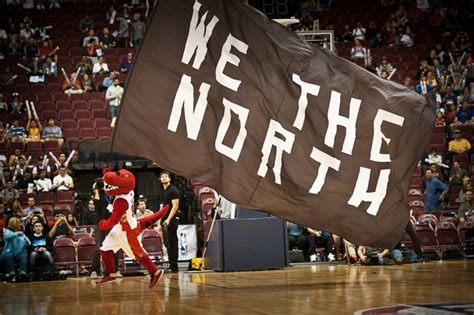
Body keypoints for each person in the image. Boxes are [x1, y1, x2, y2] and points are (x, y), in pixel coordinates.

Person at [96, 168, 168, 287]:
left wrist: (102, 224)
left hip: (128, 231)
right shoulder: (129, 190)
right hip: (121, 226)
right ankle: (111, 274)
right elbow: (115, 183)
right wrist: (106, 174)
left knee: (137, 254)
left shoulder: (121, 202)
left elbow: (111, 222)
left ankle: (155, 272)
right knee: (105, 248)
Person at [157, 170, 180, 273]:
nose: (164, 178)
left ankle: (174, 266)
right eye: (162, 177)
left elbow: (175, 206)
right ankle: (171, 264)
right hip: (165, 221)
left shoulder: (173, 190)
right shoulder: (162, 191)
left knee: (173, 242)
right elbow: (161, 208)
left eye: (166, 176)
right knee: (167, 243)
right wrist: (159, 222)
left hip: (172, 220)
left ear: (169, 179)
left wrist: (169, 219)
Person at [2, 217, 30, 281]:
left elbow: (29, 243)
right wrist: (16, 233)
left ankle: (23, 274)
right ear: (14, 224)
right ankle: (12, 273)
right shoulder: (6, 231)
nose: (20, 224)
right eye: (19, 223)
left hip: (20, 251)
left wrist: (26, 240)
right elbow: (7, 237)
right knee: (8, 256)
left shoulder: (21, 233)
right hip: (9, 251)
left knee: (23, 256)